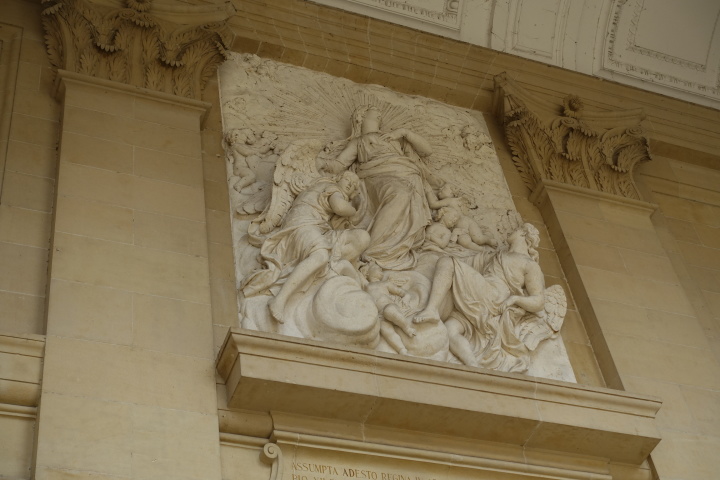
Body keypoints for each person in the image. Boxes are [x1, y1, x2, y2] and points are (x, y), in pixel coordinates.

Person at [414, 223, 545, 371]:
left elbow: (539, 301)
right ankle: (473, 366)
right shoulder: (497, 255)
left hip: (493, 296)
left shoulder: (529, 264)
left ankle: (431, 310)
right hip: (479, 297)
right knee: (449, 330)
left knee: (447, 262)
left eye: (516, 230)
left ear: (523, 234)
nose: (511, 232)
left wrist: (515, 299)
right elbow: (469, 260)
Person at [241, 171, 368, 323]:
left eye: (353, 185)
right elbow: (340, 207)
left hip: (320, 230)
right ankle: (280, 300)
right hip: (302, 225)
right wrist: (355, 209)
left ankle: (330, 268)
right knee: (320, 256)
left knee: (362, 237)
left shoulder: (330, 192)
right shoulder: (331, 187)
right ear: (338, 178)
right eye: (348, 179)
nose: (350, 184)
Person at [327, 105, 433, 270]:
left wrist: (404, 132)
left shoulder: (395, 138)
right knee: (399, 194)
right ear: (361, 117)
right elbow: (339, 164)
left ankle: (383, 252)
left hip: (408, 177)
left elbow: (427, 151)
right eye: (372, 110)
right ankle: (373, 251)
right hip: (377, 176)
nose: (378, 113)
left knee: (405, 197)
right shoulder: (359, 142)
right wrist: (317, 161)